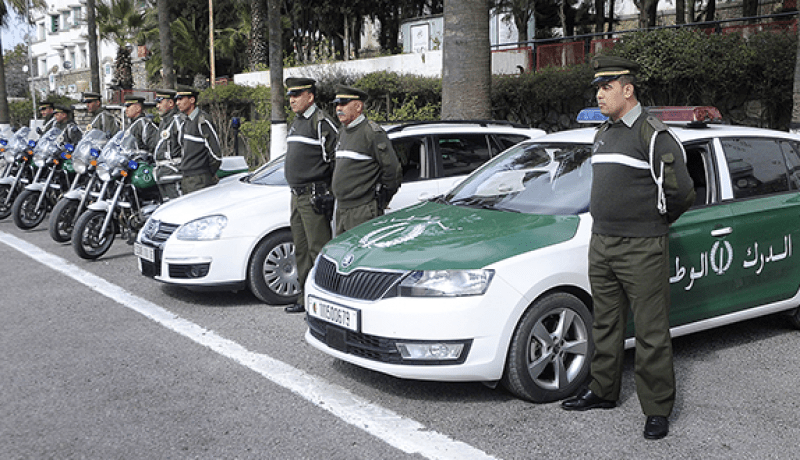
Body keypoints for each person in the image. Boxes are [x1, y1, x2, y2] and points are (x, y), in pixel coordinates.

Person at [560, 56, 695, 441]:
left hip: (642, 246)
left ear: (628, 89)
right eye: (598, 89)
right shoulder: (603, 133)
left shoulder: (652, 134)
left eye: (606, 87)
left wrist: (654, 224)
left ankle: (657, 409)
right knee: (605, 322)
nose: (599, 95)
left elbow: (682, 192)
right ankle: (603, 390)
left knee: (651, 331)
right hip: (602, 241)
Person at [283, 77, 339, 314]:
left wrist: (330, 192)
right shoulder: (296, 122)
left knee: (318, 250)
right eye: (290, 96)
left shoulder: (321, 122)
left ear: (310, 96)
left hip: (314, 196)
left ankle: (324, 299)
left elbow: (336, 160)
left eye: (297, 95)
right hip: (297, 197)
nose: (292, 100)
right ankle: (306, 298)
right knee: (301, 250)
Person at [330, 85, 402, 236]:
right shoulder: (342, 132)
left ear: (358, 106)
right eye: (337, 104)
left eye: (343, 104)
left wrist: (381, 200)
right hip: (342, 209)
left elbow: (392, 171)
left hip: (362, 211)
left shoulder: (371, 133)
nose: (338, 108)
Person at [175, 88, 222, 194]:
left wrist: (208, 173)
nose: (177, 103)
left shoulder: (202, 121)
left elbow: (216, 154)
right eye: (177, 100)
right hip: (187, 178)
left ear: (192, 100)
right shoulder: (185, 122)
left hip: (199, 179)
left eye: (181, 99)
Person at [152, 89, 183, 200]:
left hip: (174, 174)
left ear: (170, 103)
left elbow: (187, 148)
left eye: (160, 102)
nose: (157, 106)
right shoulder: (164, 122)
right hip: (163, 174)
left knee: (178, 206)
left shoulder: (178, 120)